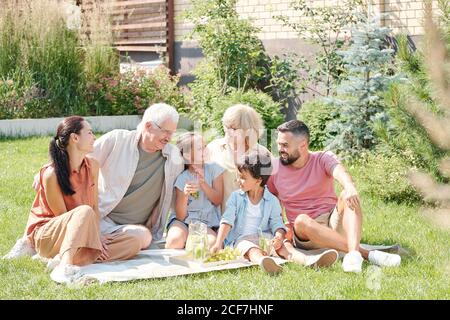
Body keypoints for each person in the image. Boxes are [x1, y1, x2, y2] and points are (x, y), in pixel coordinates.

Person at [267, 120, 401, 273]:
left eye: (285, 145)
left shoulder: (322, 158)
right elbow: (273, 203)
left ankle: (353, 254)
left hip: (332, 221)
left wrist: (349, 187)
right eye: (278, 144)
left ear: (303, 145)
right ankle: (364, 254)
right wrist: (281, 232)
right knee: (301, 220)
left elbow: (338, 171)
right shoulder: (275, 169)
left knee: (346, 195)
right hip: (304, 233)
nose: (280, 149)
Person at [25, 116, 141, 282]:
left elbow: (94, 207)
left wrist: (96, 237)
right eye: (90, 132)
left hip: (79, 234)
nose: (94, 137)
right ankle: (65, 266)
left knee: (133, 242)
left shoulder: (93, 165)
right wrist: (92, 238)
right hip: (49, 236)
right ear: (75, 138)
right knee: (83, 211)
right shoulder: (52, 174)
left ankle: (65, 258)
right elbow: (63, 217)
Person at [211, 151, 288, 274]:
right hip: (241, 240)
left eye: (242, 177)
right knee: (251, 249)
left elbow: (277, 223)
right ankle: (263, 261)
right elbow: (227, 220)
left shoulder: (272, 200)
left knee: (283, 247)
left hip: (263, 238)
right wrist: (218, 243)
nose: (238, 180)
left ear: (258, 180)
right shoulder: (236, 197)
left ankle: (298, 260)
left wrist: (278, 237)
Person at [207, 104, 271, 212]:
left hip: (249, 220)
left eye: (234, 128)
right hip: (216, 219)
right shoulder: (213, 148)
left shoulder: (262, 154)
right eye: (226, 126)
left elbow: (269, 191)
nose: (228, 131)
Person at [165, 132, 224, 249]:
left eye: (205, 146)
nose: (205, 150)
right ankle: (187, 240)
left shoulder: (214, 169)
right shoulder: (182, 178)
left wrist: (203, 183)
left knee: (212, 244)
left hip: (205, 222)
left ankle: (190, 241)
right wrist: (185, 195)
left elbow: (217, 200)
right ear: (187, 155)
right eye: (200, 148)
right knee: (174, 241)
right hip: (183, 222)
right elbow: (181, 216)